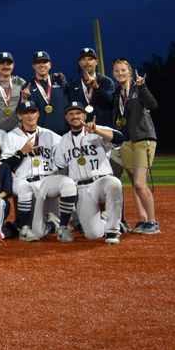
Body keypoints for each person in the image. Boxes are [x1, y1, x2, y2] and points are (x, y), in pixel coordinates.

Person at [0, 100, 77, 242]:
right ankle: (24, 228)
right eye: (26, 112)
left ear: (38, 114)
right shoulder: (11, 136)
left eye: (33, 112)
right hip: (22, 180)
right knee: (38, 232)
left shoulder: (50, 135)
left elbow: (66, 152)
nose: (30, 115)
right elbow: (4, 166)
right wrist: (22, 152)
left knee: (68, 183)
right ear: (19, 116)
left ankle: (62, 227)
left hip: (45, 180)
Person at [52, 102, 126, 244]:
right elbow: (58, 165)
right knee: (93, 234)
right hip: (81, 188)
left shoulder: (98, 130)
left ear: (85, 115)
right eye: (71, 114)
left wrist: (97, 130)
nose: (75, 116)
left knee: (114, 183)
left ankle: (113, 230)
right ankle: (105, 219)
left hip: (101, 181)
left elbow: (119, 139)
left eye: (78, 113)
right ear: (66, 118)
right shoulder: (63, 141)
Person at [112, 59, 160, 234]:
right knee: (135, 182)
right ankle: (143, 220)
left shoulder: (138, 88)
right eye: (116, 71)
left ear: (130, 72)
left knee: (140, 183)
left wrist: (143, 87)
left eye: (123, 70)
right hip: (127, 141)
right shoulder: (117, 94)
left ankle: (153, 222)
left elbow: (153, 105)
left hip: (142, 139)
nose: (120, 73)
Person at [66, 48, 115, 124]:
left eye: (90, 59)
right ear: (79, 63)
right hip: (82, 128)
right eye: (84, 59)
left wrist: (97, 88)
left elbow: (111, 101)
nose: (87, 62)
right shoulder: (73, 85)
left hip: (104, 127)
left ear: (96, 62)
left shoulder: (106, 81)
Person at [24, 51, 68, 134]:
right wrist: (23, 99)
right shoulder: (28, 86)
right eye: (38, 62)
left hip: (65, 132)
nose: (42, 65)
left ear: (50, 64)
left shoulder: (60, 80)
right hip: (42, 135)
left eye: (45, 62)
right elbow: (23, 112)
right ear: (33, 66)